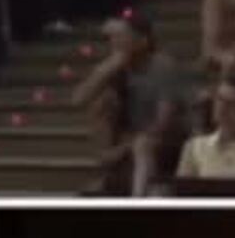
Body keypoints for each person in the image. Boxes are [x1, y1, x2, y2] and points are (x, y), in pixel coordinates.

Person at [71, 14, 186, 198]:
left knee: (142, 144)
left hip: (165, 139)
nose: (116, 43)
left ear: (143, 41)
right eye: (114, 38)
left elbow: (164, 121)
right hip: (130, 139)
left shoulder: (163, 66)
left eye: (122, 36)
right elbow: (78, 100)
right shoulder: (116, 68)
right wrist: (106, 69)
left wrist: (130, 144)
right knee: (103, 103)